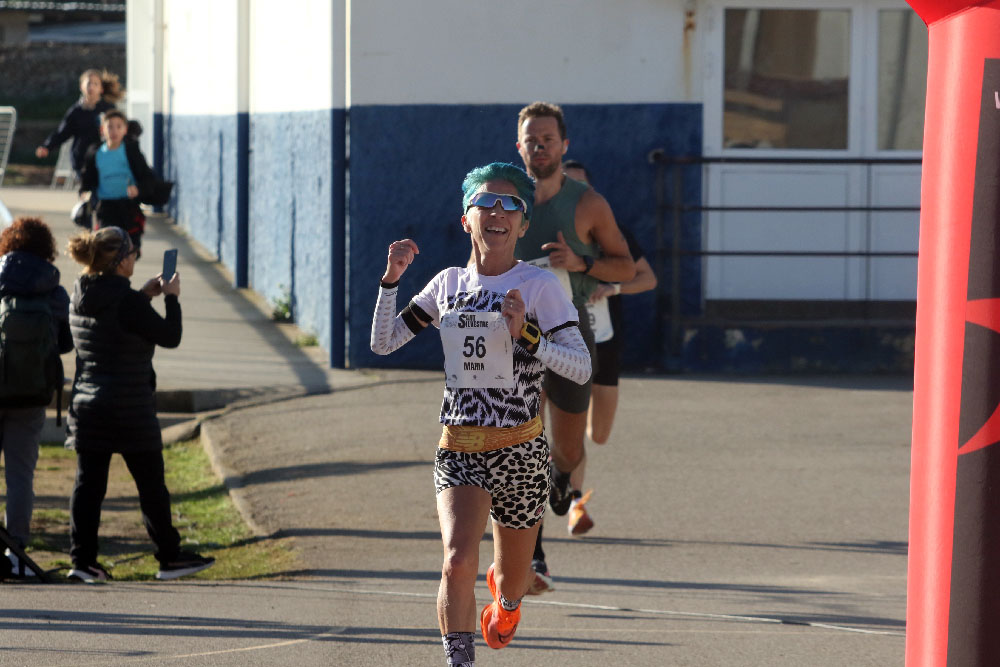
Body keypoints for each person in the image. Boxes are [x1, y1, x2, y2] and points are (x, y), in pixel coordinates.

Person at [371, 162, 591, 664]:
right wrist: (391, 282)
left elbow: (579, 367)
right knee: (456, 562)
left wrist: (527, 335)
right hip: (460, 448)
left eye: (511, 204)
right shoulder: (446, 284)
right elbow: (384, 343)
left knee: (514, 580)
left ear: (523, 223)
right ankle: (459, 660)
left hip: (520, 452)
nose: (498, 211)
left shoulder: (539, 288)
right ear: (465, 218)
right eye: (485, 203)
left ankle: (507, 602)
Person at [513, 103, 635, 583]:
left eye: (548, 138)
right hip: (515, 339)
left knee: (565, 450)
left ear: (564, 146)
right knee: (525, 447)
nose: (539, 146)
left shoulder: (588, 205)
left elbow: (626, 267)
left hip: (569, 335)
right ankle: (533, 556)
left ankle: (563, 482)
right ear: (518, 147)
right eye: (531, 139)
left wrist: (579, 263)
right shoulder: (503, 199)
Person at [65, 226, 214, 582]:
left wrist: (144, 295)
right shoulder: (126, 301)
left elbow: (114, 326)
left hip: (89, 406)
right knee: (151, 487)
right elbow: (170, 337)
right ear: (120, 261)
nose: (136, 258)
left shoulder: (80, 292)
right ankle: (169, 557)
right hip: (129, 407)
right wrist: (171, 297)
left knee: (88, 487)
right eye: (133, 254)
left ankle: (82, 562)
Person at [563, 160, 658, 527]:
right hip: (564, 343)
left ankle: (572, 450)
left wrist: (613, 286)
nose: (575, 194)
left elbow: (648, 279)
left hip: (605, 341)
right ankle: (575, 503)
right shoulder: (547, 235)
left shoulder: (611, 235)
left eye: (582, 188)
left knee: (597, 435)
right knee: (567, 430)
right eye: (567, 186)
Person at [0, 218, 73, 577]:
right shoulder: (54, 289)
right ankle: (17, 553)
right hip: (30, 395)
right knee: (20, 474)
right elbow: (65, 344)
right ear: (47, 248)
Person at [78, 109, 156, 254]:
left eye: (118, 126)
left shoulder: (131, 151)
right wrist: (84, 192)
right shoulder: (95, 152)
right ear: (102, 130)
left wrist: (138, 189)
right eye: (110, 126)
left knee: (130, 252)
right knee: (106, 252)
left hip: (128, 208)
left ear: (125, 130)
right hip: (105, 208)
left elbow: (147, 177)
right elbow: (87, 177)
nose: (114, 131)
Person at [35, 69, 123, 180]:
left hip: (104, 157)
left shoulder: (108, 109)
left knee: (103, 190)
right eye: (88, 83)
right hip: (82, 159)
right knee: (89, 190)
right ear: (81, 86)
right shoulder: (76, 111)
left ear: (101, 89)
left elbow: (120, 130)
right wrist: (47, 146)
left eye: (95, 84)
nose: (91, 87)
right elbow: (62, 133)